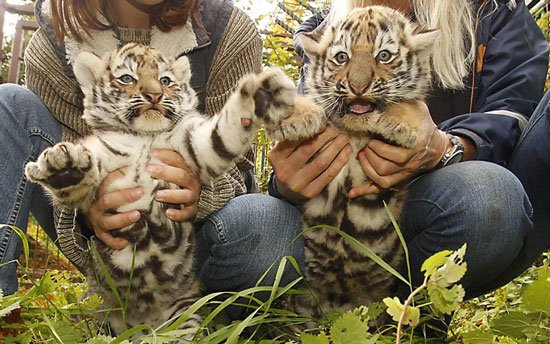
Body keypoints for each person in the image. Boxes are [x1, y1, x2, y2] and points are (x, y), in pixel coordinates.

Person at [0, 0, 304, 315]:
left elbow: (237, 168)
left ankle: (204, 306)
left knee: (273, 225)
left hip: (199, 246)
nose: (152, 92)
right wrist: (87, 204)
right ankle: (4, 308)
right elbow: (66, 153)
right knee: (8, 105)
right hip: (110, 250)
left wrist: (197, 190)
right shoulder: (53, 41)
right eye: (128, 80)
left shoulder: (228, 29)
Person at [268, 0, 550, 299]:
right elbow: (304, 131)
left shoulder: (492, 9)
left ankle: (415, 309)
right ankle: (385, 316)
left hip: (467, 203)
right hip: (348, 220)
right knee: (248, 225)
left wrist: (448, 146)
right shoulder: (322, 29)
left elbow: (516, 115)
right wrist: (288, 181)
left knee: (486, 193)